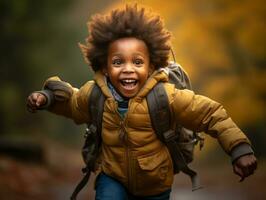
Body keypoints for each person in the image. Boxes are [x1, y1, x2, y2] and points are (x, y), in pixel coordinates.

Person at [27, 4, 257, 200]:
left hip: (155, 184)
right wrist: (46, 98)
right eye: (118, 62)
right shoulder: (95, 94)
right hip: (112, 177)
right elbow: (71, 103)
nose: (128, 69)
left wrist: (239, 149)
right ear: (105, 67)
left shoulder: (165, 96)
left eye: (137, 62)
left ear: (152, 65)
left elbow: (209, 113)